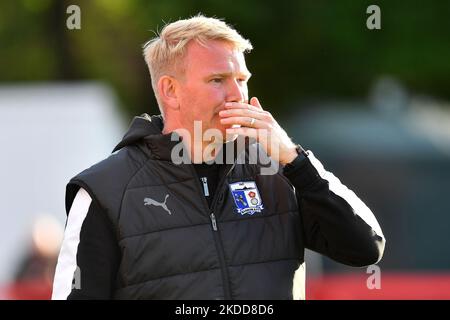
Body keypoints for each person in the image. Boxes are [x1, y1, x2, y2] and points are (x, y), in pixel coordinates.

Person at [52, 15, 385, 300]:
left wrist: (294, 159)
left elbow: (365, 247)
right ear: (170, 91)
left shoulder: (281, 172)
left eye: (241, 80)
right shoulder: (105, 190)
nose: (236, 95)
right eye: (217, 80)